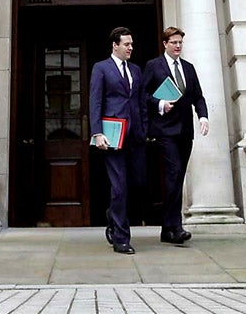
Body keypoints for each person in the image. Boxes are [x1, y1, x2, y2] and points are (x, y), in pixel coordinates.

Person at [142, 26, 208, 245]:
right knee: (174, 172)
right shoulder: (154, 66)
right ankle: (176, 227)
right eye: (174, 42)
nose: (178, 46)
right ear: (165, 44)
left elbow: (198, 96)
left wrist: (203, 117)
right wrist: (160, 104)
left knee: (177, 177)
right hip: (164, 130)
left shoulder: (188, 68)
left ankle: (167, 229)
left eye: (180, 42)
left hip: (185, 130)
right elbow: (143, 95)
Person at [89, 26, 147, 254]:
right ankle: (121, 238)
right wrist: (97, 132)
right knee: (119, 186)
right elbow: (95, 101)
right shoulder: (101, 68)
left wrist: (144, 129)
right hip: (112, 135)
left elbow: (141, 101)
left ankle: (113, 215)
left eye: (132, 44)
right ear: (115, 45)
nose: (131, 48)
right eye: (126, 44)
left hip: (135, 136)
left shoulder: (136, 70)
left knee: (136, 185)